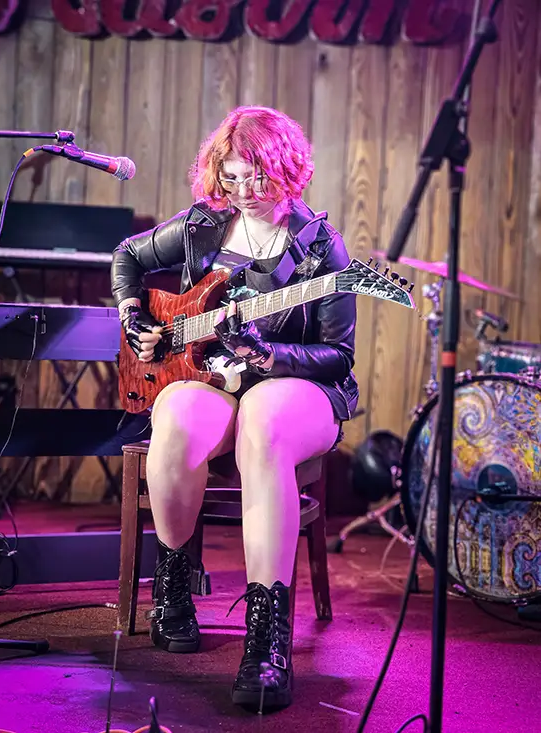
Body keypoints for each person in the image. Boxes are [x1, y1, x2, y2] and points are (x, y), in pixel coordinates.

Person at [110, 105, 359, 711]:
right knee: (172, 411)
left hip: (300, 389)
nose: (245, 192)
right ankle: (173, 585)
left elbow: (338, 355)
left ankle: (266, 634)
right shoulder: (202, 227)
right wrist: (135, 317)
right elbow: (128, 258)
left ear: (287, 171)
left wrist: (268, 354)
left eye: (259, 179)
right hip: (213, 376)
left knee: (264, 420)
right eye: (232, 177)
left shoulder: (320, 246)